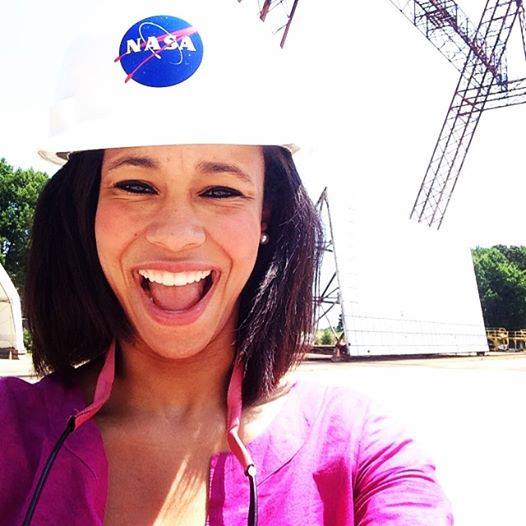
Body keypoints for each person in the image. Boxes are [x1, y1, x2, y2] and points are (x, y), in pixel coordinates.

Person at [0, 1, 454, 524]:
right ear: (86, 213)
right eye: (134, 185)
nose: (175, 235)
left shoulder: (362, 455)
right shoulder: (10, 432)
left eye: (219, 190)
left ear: (269, 215)